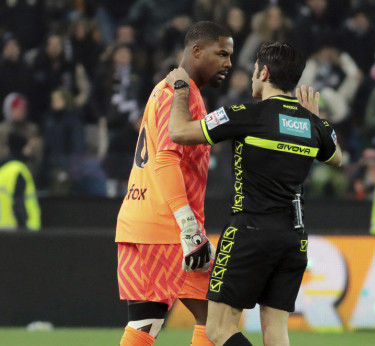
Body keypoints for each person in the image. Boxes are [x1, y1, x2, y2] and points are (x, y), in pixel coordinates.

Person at [166, 42, 342, 346]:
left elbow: (179, 132)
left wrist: (180, 89)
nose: (251, 79)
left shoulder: (246, 114)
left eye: (253, 72)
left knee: (218, 329)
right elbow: (337, 157)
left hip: (251, 233)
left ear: (264, 72)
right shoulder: (311, 124)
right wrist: (318, 121)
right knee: (276, 333)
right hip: (294, 239)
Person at [115, 21, 233, 346]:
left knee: (146, 320)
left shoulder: (162, 90)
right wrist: (188, 226)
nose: (228, 63)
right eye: (221, 53)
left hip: (136, 220)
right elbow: (167, 159)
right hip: (168, 227)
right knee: (217, 314)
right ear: (196, 50)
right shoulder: (183, 96)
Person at [0, 132, 41, 231]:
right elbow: (18, 202)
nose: (29, 151)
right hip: (20, 229)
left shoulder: (3, 169)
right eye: (27, 147)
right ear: (21, 149)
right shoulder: (18, 170)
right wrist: (23, 228)